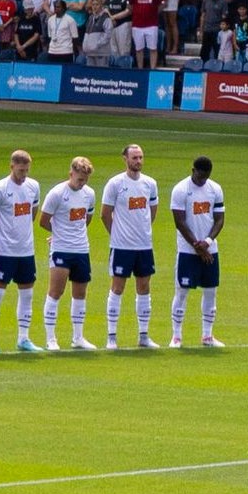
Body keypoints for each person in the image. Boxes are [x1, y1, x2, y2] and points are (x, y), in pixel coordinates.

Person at [99, 144, 164, 349]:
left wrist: (142, 231)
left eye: (141, 157)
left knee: (144, 288)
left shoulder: (150, 184)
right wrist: (117, 233)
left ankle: (143, 336)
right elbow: (105, 214)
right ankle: (111, 336)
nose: (138, 161)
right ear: (125, 159)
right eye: (134, 158)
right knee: (117, 288)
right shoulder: (115, 184)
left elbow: (152, 211)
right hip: (121, 247)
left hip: (144, 246)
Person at [0, 149, 44, 353]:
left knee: (27, 294)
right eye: (20, 170)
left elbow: (32, 213)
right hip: (3, 252)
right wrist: (2, 236)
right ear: (12, 167)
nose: (23, 174)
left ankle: (23, 338)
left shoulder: (33, 187)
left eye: (26, 170)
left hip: (26, 251)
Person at [41, 154, 101, 351]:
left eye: (85, 180)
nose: (82, 183)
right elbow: (43, 220)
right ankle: (51, 338)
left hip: (81, 249)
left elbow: (87, 218)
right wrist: (57, 234)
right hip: (61, 249)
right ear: (71, 173)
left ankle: (78, 337)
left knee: (80, 294)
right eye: (79, 179)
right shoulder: (57, 193)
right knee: (56, 292)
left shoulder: (89, 194)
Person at [169, 153, 224, 349]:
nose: (202, 181)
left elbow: (219, 219)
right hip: (187, 251)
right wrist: (197, 246)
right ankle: (176, 336)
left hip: (210, 249)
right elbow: (179, 221)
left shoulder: (215, 189)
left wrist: (208, 241)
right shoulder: (181, 190)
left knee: (210, 291)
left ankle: (207, 336)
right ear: (193, 171)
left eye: (206, 177)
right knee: (182, 292)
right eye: (200, 177)